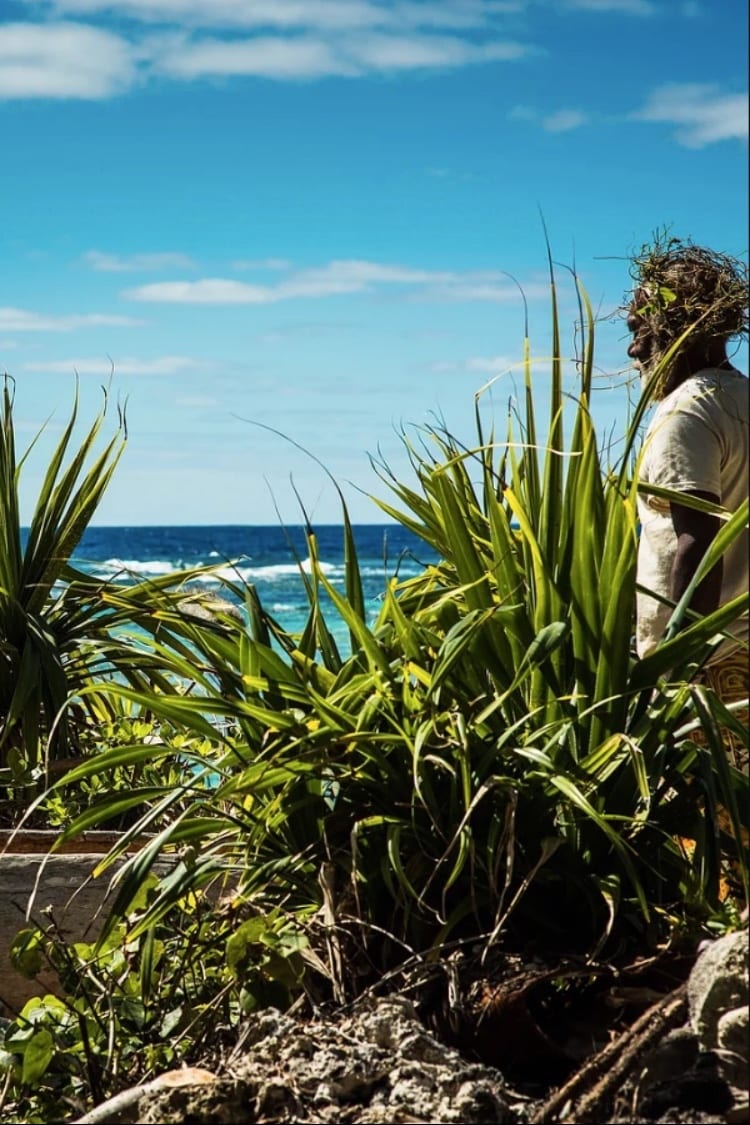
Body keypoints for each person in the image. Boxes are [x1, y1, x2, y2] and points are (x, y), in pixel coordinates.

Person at [626, 235, 749, 772]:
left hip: (710, 668)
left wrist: (673, 671)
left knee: (704, 840)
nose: (633, 350)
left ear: (677, 329)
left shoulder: (687, 412)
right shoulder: (742, 399)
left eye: (637, 329)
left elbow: (696, 542)